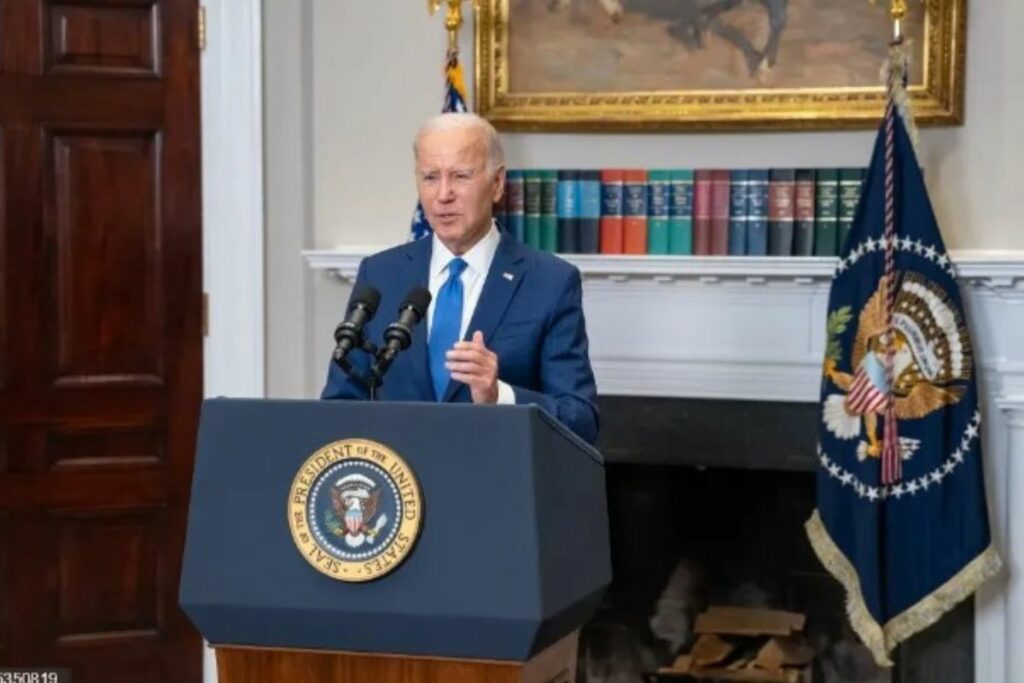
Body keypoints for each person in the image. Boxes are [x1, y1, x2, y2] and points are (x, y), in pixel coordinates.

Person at [321, 113, 599, 444]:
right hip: (398, 485)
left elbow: (582, 420)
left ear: (497, 184)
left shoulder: (550, 282)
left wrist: (499, 395)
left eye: (460, 176)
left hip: (494, 484)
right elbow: (340, 403)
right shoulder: (381, 274)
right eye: (429, 177)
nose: (443, 194)